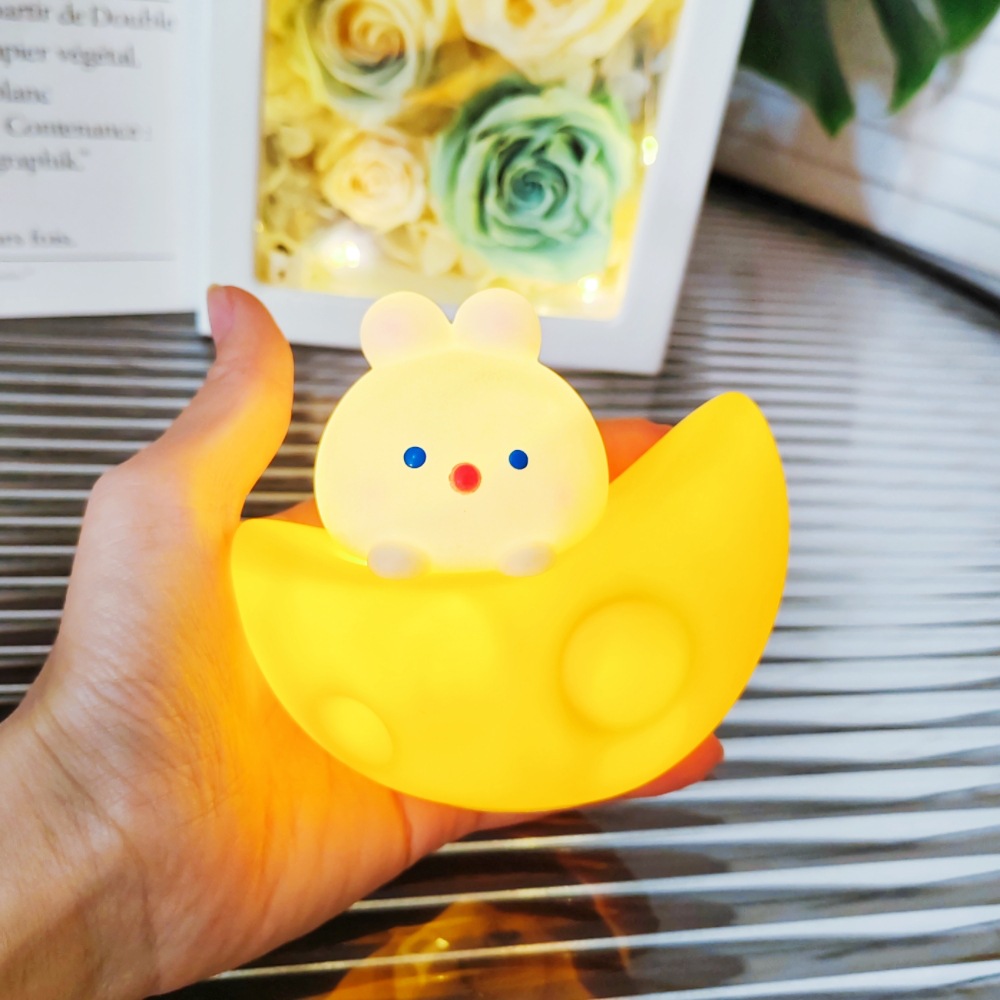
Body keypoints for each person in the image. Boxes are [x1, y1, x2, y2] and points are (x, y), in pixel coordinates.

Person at [0, 287, 721, 999]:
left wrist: (86, 844)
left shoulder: (549, 447)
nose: (464, 475)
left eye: (516, 461)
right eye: (417, 458)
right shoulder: (356, 490)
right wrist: (84, 819)